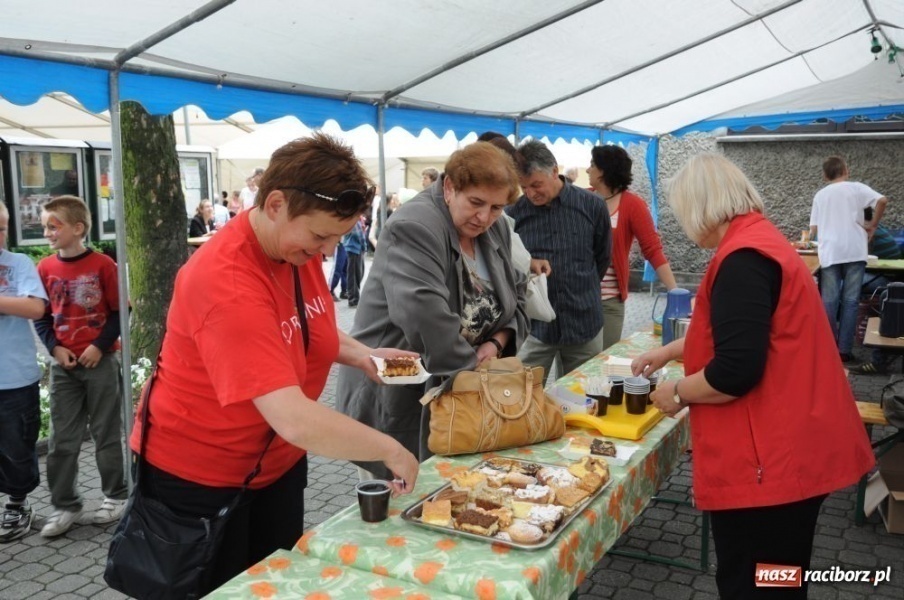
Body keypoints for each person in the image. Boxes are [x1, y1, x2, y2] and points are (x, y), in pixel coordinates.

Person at [127, 133, 419, 595]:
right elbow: (293, 418)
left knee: (274, 583)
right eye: (321, 236)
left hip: (275, 466)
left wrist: (363, 355)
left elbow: (302, 326)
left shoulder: (290, 247)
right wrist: (388, 448)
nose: (325, 253)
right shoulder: (224, 279)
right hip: (202, 476)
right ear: (277, 202)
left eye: (336, 239)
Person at [631, 154, 873, 600]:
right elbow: (736, 332)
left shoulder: (743, 258)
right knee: (780, 577)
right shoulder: (757, 241)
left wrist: (678, 392)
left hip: (772, 463)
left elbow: (735, 372)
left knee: (755, 582)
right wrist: (668, 350)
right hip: (791, 447)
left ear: (699, 206)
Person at [335, 142, 529, 479]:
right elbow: (426, 319)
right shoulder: (416, 225)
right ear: (450, 186)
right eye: (476, 203)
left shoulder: (495, 226)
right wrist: (481, 381)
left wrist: (496, 343)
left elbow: (517, 295)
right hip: (398, 391)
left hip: (457, 387)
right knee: (399, 497)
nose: (485, 217)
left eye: (497, 207)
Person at [33, 196, 128, 538]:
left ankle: (115, 496)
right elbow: (43, 317)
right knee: (62, 439)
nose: (47, 232)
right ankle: (65, 504)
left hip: (99, 363)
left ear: (77, 228)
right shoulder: (44, 269)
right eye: (45, 226)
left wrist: (98, 347)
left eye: (53, 225)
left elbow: (120, 311)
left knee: (105, 434)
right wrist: (55, 348)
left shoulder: (104, 265)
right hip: (64, 367)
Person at [507, 139, 612, 384]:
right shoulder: (514, 213)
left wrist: (581, 286)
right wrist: (529, 261)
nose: (531, 193)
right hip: (534, 328)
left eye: (536, 184)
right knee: (522, 397)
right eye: (524, 187)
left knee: (584, 395)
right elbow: (507, 258)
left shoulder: (592, 205)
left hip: (584, 321)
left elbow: (602, 256)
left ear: (555, 171)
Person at [588, 145, 677, 350]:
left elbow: (652, 249)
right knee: (575, 365)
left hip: (609, 301)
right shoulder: (582, 198)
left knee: (602, 361)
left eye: (592, 165)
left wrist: (675, 291)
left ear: (603, 171)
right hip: (577, 299)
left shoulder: (632, 204)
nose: (587, 170)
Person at [0, 202, 49, 543]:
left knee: (17, 447)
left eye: (1, 228)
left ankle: (18, 503)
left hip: (14, 379)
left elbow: (35, 306)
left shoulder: (17, 264)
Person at [809, 156, 888, 362]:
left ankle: (827, 349)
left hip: (831, 252)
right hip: (854, 250)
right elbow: (882, 200)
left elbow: (812, 230)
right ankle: (844, 351)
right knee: (851, 301)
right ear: (846, 170)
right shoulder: (857, 188)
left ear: (825, 175)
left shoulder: (820, 195)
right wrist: (873, 225)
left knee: (829, 301)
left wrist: (809, 241)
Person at [854, 225, 903, 374]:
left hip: (888, 277)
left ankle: (879, 361)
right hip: (891, 277)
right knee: (889, 299)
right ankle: (880, 358)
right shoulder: (873, 226)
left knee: (888, 298)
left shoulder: (865, 228)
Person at [343, 214, 366, 307]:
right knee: (354, 275)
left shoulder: (354, 217)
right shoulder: (354, 218)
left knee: (356, 274)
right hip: (354, 248)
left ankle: (354, 297)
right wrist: (364, 246)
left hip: (353, 248)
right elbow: (358, 234)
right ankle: (353, 299)